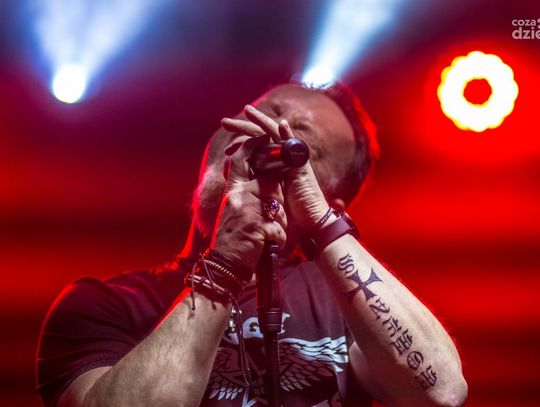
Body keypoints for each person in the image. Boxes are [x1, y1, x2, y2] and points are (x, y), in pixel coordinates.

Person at [36, 82, 468, 407]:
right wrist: (225, 265)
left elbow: (440, 392)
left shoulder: (345, 301)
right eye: (259, 117)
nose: (263, 138)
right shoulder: (106, 303)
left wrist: (321, 223)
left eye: (299, 144)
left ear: (328, 196)